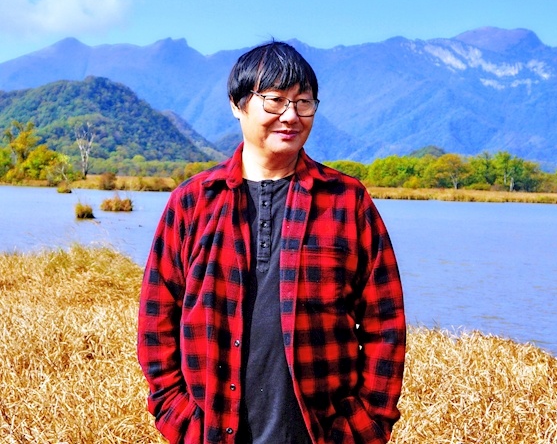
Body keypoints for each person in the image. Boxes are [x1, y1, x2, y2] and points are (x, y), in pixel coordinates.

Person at [137, 41, 406, 444]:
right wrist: (179, 417)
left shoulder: (346, 201)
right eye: (275, 100)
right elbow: (156, 320)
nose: (291, 116)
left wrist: (365, 425)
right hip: (213, 431)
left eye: (303, 102)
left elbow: (385, 322)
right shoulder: (193, 202)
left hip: (320, 434)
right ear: (237, 104)